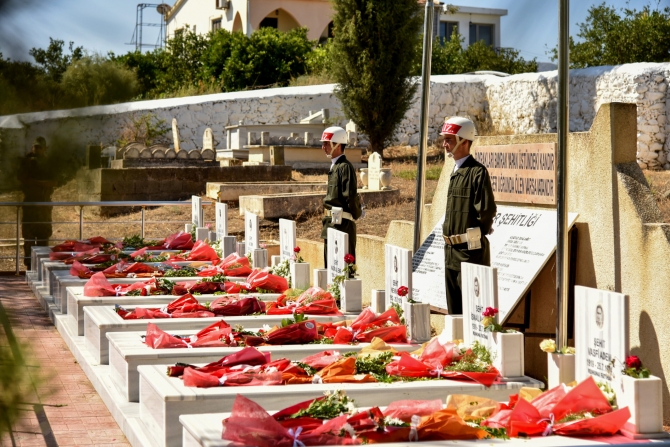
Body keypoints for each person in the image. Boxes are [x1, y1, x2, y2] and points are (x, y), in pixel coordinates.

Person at [441, 117, 497, 315]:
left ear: (464, 141)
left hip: (468, 253)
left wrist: (476, 234)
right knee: (454, 314)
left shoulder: (477, 172)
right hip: (450, 253)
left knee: (472, 313)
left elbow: (487, 210)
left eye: (449, 139)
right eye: (444, 139)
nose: (444, 144)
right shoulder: (456, 170)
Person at [320, 126, 362, 270]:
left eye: (326, 143)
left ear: (337, 145)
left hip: (342, 226)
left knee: (343, 271)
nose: (323, 147)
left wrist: (357, 213)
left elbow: (350, 196)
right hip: (331, 224)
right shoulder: (335, 167)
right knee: (330, 270)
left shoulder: (344, 167)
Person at [19, 137, 57, 270]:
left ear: (45, 149)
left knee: (43, 237)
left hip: (44, 204)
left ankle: (42, 267)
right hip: (30, 203)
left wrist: (36, 182)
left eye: (39, 147)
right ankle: (29, 266)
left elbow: (53, 182)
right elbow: (23, 179)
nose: (37, 149)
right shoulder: (26, 162)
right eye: (35, 147)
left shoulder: (49, 164)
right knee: (28, 237)